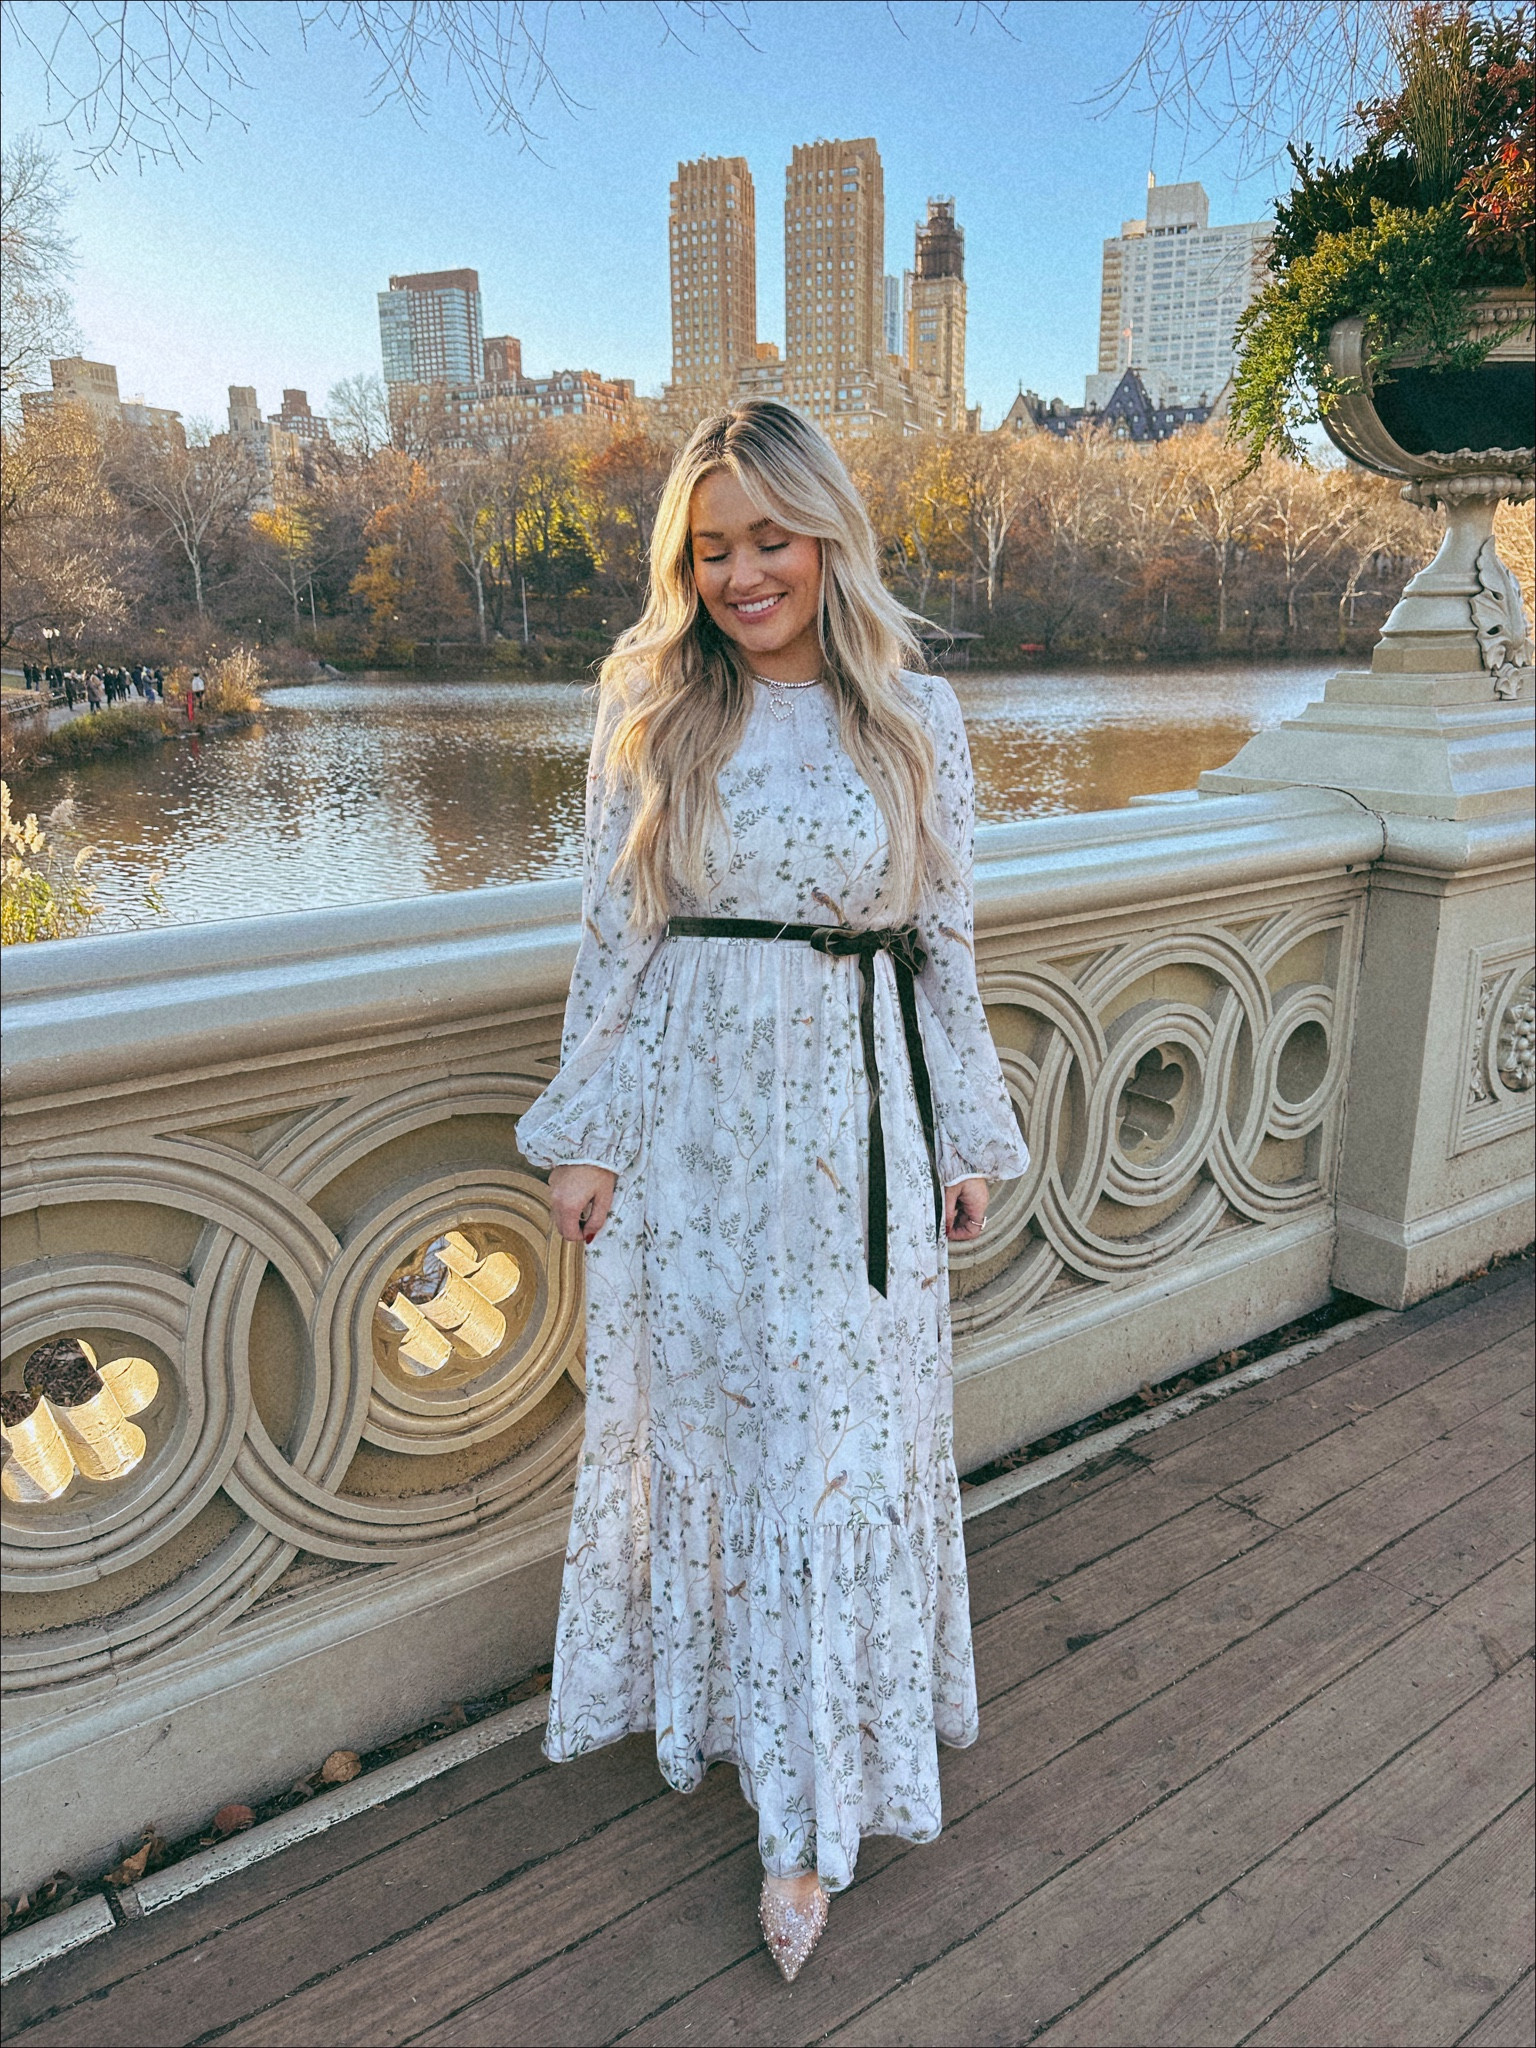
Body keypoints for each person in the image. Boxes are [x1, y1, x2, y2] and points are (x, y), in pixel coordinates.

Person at [516, 401, 1028, 1984]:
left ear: (827, 537)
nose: (744, 573)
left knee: (837, 1448)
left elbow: (944, 939)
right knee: (731, 1436)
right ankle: (749, 1742)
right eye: (712, 545)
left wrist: (965, 1133)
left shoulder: (915, 716)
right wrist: (587, 1131)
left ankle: (808, 1829)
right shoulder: (652, 701)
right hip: (697, 1125)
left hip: (859, 1122)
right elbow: (616, 931)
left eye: (770, 538)